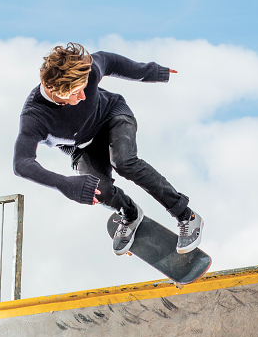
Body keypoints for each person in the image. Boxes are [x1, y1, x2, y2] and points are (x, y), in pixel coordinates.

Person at [13, 42, 203, 256]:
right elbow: (22, 163)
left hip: (113, 116)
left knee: (124, 162)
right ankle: (130, 214)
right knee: (98, 190)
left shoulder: (88, 72)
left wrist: (151, 71)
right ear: (58, 93)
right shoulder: (34, 117)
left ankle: (186, 216)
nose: (84, 96)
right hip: (82, 146)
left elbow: (109, 60)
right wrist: (65, 183)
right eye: (77, 93)